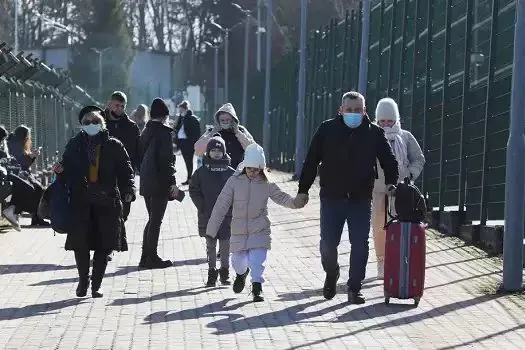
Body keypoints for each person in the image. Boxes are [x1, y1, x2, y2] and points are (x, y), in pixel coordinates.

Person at [296, 91, 399, 304]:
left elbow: (389, 160)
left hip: (360, 198)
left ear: (365, 111)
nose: (353, 114)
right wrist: (303, 190)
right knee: (328, 245)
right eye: (349, 110)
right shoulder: (327, 130)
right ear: (340, 110)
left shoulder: (374, 133)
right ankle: (332, 272)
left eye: (358, 110)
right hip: (332, 197)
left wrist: (392, 182)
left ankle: (354, 287)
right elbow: (311, 160)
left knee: (360, 244)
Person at [206, 143, 306, 302]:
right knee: (238, 262)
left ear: (262, 168)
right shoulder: (234, 181)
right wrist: (211, 229)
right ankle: (241, 274)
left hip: (260, 228)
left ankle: (257, 286)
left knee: (257, 259)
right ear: (244, 166)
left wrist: (295, 202)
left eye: (256, 169)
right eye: (249, 168)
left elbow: (281, 197)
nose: (252, 172)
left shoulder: (267, 183)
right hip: (238, 230)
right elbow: (221, 205)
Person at [53, 106, 135, 298]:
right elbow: (66, 167)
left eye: (95, 121)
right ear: (81, 125)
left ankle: (96, 285)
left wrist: (129, 190)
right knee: (80, 244)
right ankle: (83, 281)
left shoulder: (114, 145)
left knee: (104, 245)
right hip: (81, 201)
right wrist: (60, 170)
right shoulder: (75, 144)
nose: (91, 125)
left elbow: (126, 170)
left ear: (102, 123)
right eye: (87, 122)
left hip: (107, 201)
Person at [372, 98, 425, 278]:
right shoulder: (371, 136)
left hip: (402, 190)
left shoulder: (406, 137)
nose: (386, 124)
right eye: (382, 121)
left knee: (402, 226)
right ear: (377, 120)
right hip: (378, 191)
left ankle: (402, 259)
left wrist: (410, 175)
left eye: (390, 120)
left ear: (396, 119)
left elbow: (418, 159)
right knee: (379, 226)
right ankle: (382, 262)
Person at [139, 98, 179, 269]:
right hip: (160, 183)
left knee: (152, 219)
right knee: (156, 220)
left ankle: (145, 256)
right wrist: (173, 182)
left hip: (147, 182)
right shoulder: (164, 133)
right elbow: (166, 161)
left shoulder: (146, 131)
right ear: (165, 116)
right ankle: (151, 257)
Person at [189, 136, 235, 287]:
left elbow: (238, 192)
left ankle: (225, 272)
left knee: (225, 245)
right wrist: (202, 206)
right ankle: (211, 272)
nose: (216, 153)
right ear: (208, 152)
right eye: (213, 150)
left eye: (219, 150)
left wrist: (233, 207)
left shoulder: (231, 173)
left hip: (227, 216)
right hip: (207, 214)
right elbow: (193, 189)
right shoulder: (201, 172)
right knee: (210, 245)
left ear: (224, 152)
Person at [104, 91, 140, 222]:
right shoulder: (99, 124)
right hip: (103, 178)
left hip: (124, 177)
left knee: (122, 217)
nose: (119, 108)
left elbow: (137, 153)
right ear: (109, 104)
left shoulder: (131, 127)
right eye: (117, 105)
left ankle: (119, 242)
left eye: (122, 106)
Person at [6, 125, 48, 227]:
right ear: (24, 136)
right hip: (17, 175)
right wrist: (32, 156)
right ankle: (36, 218)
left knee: (39, 188)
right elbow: (21, 163)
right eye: (28, 136)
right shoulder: (15, 145)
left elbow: (24, 164)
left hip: (22, 174)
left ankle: (37, 218)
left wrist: (32, 156)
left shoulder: (18, 144)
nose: (29, 138)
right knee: (38, 189)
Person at [194, 103, 254, 170]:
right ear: (218, 120)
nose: (225, 122)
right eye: (222, 120)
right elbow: (198, 151)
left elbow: (252, 149)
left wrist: (237, 132)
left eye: (227, 120)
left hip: (236, 173)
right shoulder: (212, 131)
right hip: (215, 173)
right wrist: (212, 134)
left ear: (233, 119)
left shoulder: (241, 130)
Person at [173, 100, 201, 185]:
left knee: (189, 161)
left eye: (181, 110)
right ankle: (189, 178)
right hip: (182, 142)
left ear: (186, 109)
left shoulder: (192, 118)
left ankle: (190, 179)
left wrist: (194, 143)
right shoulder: (181, 118)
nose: (180, 111)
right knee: (187, 161)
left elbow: (196, 132)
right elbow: (176, 129)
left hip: (189, 143)